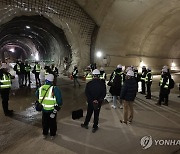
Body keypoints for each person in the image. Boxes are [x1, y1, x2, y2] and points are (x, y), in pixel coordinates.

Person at [35, 74, 63, 139]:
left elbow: (36, 94)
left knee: (45, 122)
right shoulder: (55, 89)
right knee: (52, 122)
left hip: (44, 109)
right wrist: (58, 104)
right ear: (52, 80)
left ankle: (45, 134)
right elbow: (59, 101)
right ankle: (52, 135)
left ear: (46, 80)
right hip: (52, 110)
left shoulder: (41, 88)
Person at [81, 69, 106, 133]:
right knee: (96, 114)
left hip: (90, 102)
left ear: (93, 75)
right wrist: (97, 100)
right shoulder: (102, 84)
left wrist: (92, 100)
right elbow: (104, 93)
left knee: (89, 113)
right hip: (98, 102)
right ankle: (95, 127)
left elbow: (87, 93)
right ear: (98, 76)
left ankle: (86, 124)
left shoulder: (89, 84)